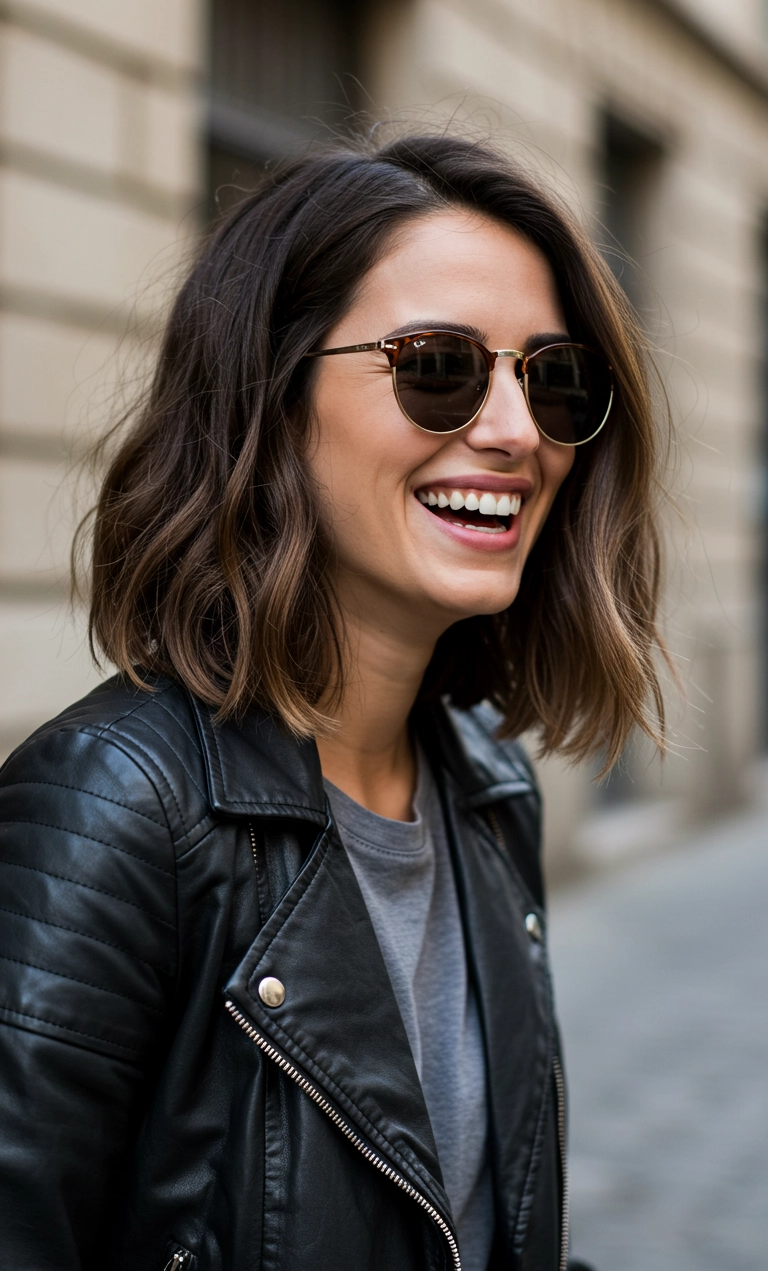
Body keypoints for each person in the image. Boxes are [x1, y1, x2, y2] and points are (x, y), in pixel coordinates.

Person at [0, 134, 666, 1271]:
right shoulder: (110, 812)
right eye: (440, 366)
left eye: (552, 379)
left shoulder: (487, 791)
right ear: (271, 392)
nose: (515, 432)